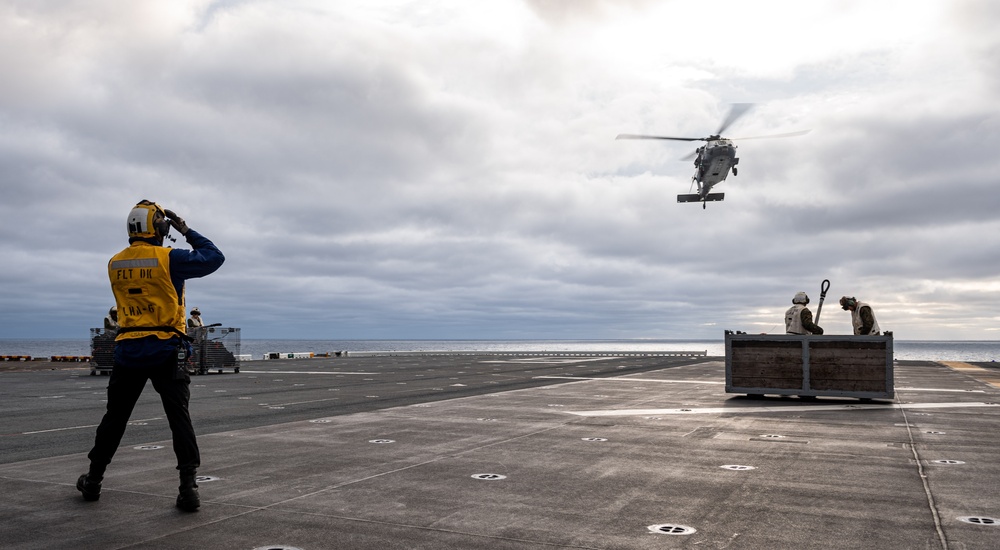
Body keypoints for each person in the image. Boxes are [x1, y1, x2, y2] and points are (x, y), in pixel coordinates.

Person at [77, 200, 224, 512]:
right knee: (178, 417)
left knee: (114, 418)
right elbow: (214, 258)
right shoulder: (168, 258)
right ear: (159, 226)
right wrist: (186, 230)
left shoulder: (114, 262)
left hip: (128, 349)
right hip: (166, 348)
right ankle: (188, 487)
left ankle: (93, 479)